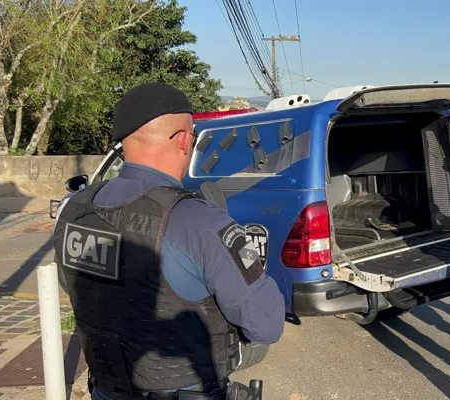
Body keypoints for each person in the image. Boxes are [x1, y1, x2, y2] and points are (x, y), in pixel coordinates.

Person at [52, 82, 285, 399]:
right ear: (185, 139)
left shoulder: (75, 209)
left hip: (106, 389)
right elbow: (266, 324)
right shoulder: (201, 221)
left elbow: (78, 287)